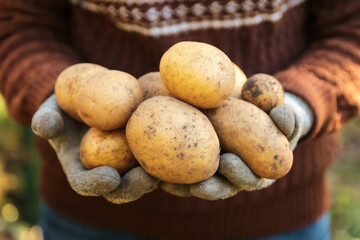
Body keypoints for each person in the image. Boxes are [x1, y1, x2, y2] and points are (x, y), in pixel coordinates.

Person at [0, 0, 359, 239]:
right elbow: (18, 22)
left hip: (281, 218)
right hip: (88, 219)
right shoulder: (139, 104)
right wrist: (50, 89)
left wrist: (304, 101)